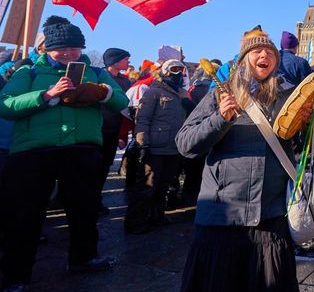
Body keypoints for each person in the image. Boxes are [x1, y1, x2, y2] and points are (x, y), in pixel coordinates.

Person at [0, 16, 129, 290]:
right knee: (26, 214)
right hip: (34, 151)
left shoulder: (95, 72)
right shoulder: (28, 72)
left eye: (75, 48)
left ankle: (83, 257)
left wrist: (104, 93)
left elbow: (121, 100)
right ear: (47, 49)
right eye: (62, 49)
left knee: (84, 208)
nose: (69, 53)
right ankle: (16, 274)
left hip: (81, 148)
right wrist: (46, 95)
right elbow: (6, 105)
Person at [176, 26, 303, 291]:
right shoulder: (221, 93)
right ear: (245, 57)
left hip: (269, 216)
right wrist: (219, 118)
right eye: (257, 50)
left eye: (270, 52)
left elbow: (308, 142)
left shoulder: (289, 94)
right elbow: (186, 144)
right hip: (223, 215)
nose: (264, 55)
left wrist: (309, 119)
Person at [124, 59, 187, 234]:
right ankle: (135, 222)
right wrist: (142, 144)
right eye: (174, 69)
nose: (178, 73)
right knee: (147, 186)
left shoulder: (181, 94)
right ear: (165, 71)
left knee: (164, 185)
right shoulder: (153, 92)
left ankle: (157, 216)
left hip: (173, 147)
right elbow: (142, 120)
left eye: (181, 70)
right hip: (155, 147)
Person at [98, 47, 133, 215]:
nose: (128, 62)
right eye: (125, 59)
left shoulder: (126, 81)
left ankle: (96, 200)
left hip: (114, 128)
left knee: (105, 165)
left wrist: (122, 133)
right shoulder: (98, 77)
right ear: (115, 61)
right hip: (97, 127)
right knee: (92, 167)